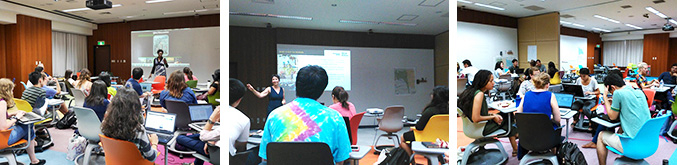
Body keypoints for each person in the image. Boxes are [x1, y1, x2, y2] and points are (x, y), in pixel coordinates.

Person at [258, 65, 351, 164]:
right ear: (322, 90)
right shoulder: (335, 118)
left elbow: (266, 158)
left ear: (296, 85)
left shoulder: (274, 115)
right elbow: (340, 161)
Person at [458, 70, 518, 157]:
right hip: (481, 128)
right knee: (508, 117)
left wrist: (493, 115)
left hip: (471, 127)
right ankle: (515, 142)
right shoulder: (479, 94)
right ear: (483, 82)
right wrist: (493, 117)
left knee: (505, 116)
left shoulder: (469, 92)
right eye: (491, 81)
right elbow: (476, 118)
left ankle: (515, 144)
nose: (493, 83)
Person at [596, 74, 651, 165]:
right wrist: (614, 103)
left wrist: (605, 97)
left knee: (601, 136)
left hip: (634, 144)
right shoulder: (638, 91)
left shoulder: (618, 93)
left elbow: (612, 117)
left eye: (611, 93)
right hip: (648, 142)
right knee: (621, 131)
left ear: (613, 87)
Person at [101, 88, 159, 162]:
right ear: (136, 107)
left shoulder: (105, 124)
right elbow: (152, 158)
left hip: (114, 161)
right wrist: (154, 143)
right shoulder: (138, 131)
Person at [0, 79, 46, 165]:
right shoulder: (2, 103)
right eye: (12, 90)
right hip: (2, 140)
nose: (12, 93)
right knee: (28, 126)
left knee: (23, 126)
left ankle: (32, 144)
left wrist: (11, 114)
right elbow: (3, 127)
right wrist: (16, 118)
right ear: (6, 91)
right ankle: (34, 159)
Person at [516, 73, 561, 159]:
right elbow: (558, 119)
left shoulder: (526, 95)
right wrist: (549, 118)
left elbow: (519, 115)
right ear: (548, 85)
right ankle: (553, 156)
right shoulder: (550, 96)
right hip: (546, 139)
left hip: (527, 138)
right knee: (557, 126)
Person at [400, 86, 449, 155]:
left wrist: (413, 128)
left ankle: (411, 161)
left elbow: (419, 127)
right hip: (444, 138)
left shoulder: (430, 111)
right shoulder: (449, 111)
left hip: (425, 137)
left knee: (403, 138)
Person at [571, 68, 601, 133]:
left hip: (591, 100)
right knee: (574, 107)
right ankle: (575, 119)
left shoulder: (593, 81)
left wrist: (591, 93)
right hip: (581, 99)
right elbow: (576, 89)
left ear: (588, 75)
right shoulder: (578, 80)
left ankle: (591, 121)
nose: (582, 78)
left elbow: (598, 92)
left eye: (584, 76)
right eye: (581, 76)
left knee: (586, 108)